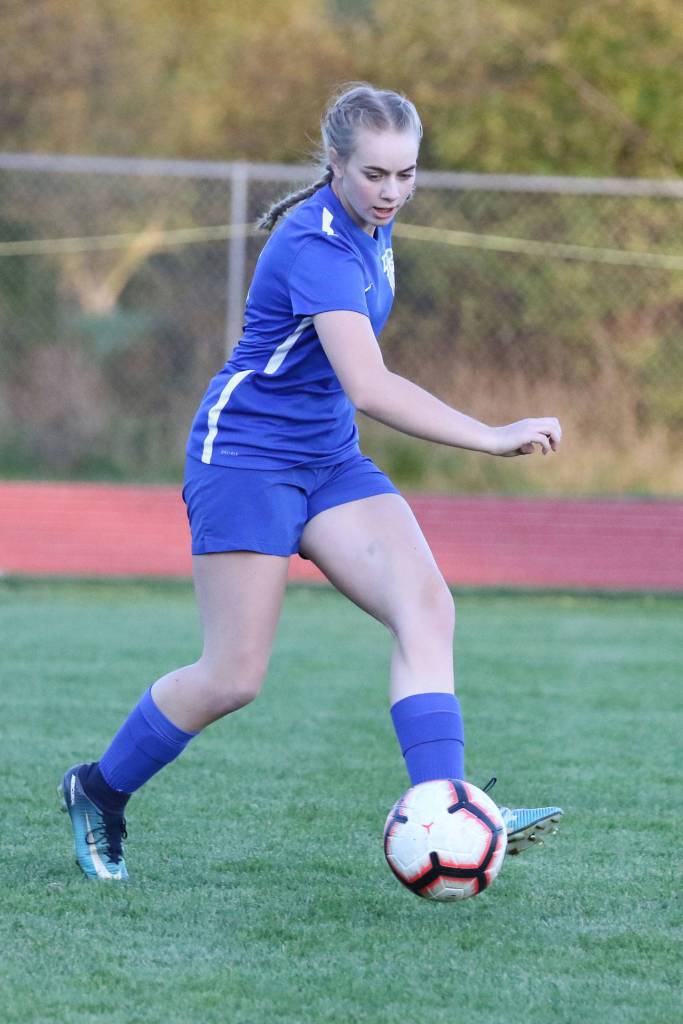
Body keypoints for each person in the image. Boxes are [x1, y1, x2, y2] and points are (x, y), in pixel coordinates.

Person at [60, 83, 562, 881]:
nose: (392, 191)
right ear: (335, 163)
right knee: (232, 677)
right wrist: (490, 435)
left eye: (405, 173)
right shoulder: (317, 245)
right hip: (246, 460)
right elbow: (369, 384)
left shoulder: (372, 228)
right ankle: (97, 789)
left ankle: (447, 809)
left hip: (326, 458)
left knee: (426, 606)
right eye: (374, 174)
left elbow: (343, 396)